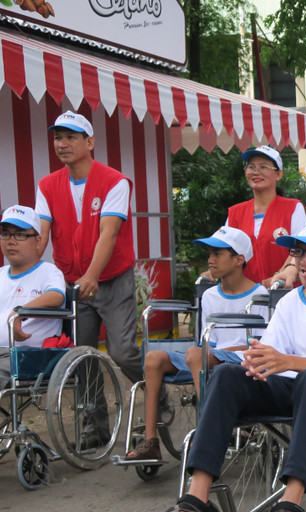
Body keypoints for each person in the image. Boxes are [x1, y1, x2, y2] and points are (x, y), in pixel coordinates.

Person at [143, 220, 306, 512]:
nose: (304, 261)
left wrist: (290, 362)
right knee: (227, 376)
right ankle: (196, 501)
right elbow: (269, 358)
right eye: (299, 252)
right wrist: (252, 362)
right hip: (293, 388)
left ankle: (291, 503)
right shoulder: (288, 303)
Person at [35, 111, 141, 448]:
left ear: (89, 142)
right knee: (81, 358)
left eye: (70, 137)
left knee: (123, 353)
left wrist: (92, 275)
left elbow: (108, 233)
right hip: (72, 281)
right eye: (57, 138)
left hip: (111, 277)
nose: (62, 144)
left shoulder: (115, 181)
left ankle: (157, 396)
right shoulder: (47, 185)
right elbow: (39, 239)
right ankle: (94, 426)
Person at [123, 227, 266, 461]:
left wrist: (214, 352)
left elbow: (261, 345)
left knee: (195, 354)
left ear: (239, 259)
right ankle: (151, 440)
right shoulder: (209, 296)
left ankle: (212, 431)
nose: (210, 260)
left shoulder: (259, 295)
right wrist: (208, 351)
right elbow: (207, 342)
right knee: (154, 358)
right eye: (209, 254)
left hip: (244, 357)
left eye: (217, 254)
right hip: (209, 355)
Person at [0, 205, 66, 391]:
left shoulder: (48, 272)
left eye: (20, 235)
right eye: (6, 234)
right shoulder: (1, 274)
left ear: (38, 240)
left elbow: (56, 296)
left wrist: (19, 312)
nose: (11, 241)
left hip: (27, 356)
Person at [224, 146, 306, 289]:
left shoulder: (293, 208)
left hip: (285, 291)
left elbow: (301, 247)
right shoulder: (235, 212)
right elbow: (225, 251)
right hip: (246, 294)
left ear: (279, 174)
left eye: (263, 167)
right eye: (251, 167)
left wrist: (281, 274)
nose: (256, 172)